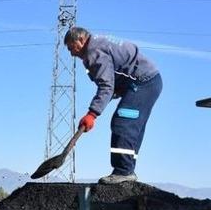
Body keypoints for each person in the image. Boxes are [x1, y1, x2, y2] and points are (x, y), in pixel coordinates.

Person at [64, 26, 163, 184]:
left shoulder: (93, 52)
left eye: (71, 47)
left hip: (143, 82)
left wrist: (92, 114)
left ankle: (123, 172)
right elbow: (112, 86)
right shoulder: (99, 44)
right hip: (149, 82)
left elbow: (106, 86)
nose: (71, 53)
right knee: (133, 126)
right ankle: (127, 171)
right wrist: (99, 106)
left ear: (81, 40)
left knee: (123, 123)